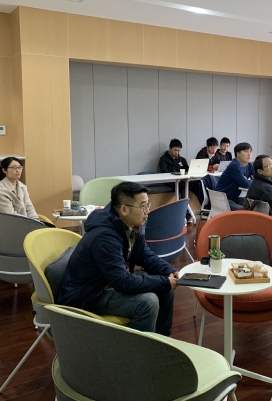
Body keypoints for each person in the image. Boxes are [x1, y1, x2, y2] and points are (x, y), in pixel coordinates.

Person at [57, 182, 178, 336]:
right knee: (148, 302)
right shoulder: (104, 236)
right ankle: (139, 350)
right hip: (88, 296)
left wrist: (169, 271)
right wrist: (164, 283)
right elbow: (122, 282)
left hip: (107, 283)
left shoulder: (130, 224)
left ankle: (162, 342)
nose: (147, 211)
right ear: (124, 209)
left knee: (164, 287)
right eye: (143, 206)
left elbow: (144, 254)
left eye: (148, 205)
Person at [158, 138, 199, 224]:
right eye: (175, 150)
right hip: (169, 181)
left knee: (196, 184)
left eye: (178, 150)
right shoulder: (163, 159)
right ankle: (185, 213)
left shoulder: (182, 159)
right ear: (170, 148)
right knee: (182, 186)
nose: (176, 152)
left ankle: (202, 208)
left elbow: (188, 170)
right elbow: (164, 172)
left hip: (181, 180)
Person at [216, 142, 254, 211]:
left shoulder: (249, 165)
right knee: (245, 211)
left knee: (255, 206)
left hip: (234, 198)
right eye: (246, 151)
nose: (249, 154)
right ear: (238, 154)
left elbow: (258, 178)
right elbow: (246, 184)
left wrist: (249, 180)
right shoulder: (234, 166)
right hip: (223, 199)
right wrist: (249, 181)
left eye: (250, 151)